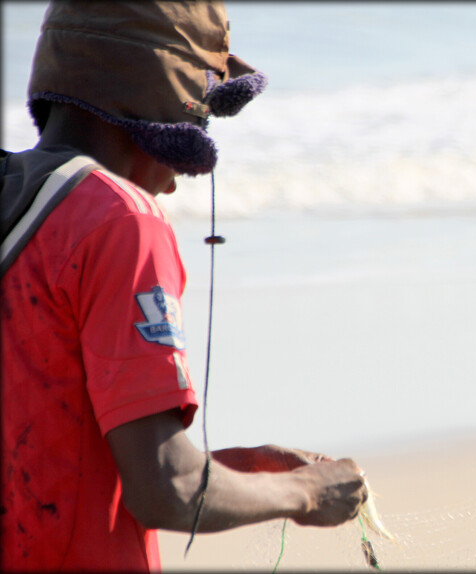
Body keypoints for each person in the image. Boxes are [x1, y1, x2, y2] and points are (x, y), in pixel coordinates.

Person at [0, 2, 367, 571]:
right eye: (204, 118)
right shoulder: (121, 220)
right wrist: (309, 494)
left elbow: (69, 462)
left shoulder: (15, 196)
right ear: (168, 98)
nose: (175, 186)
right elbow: (167, 488)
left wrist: (243, 467)